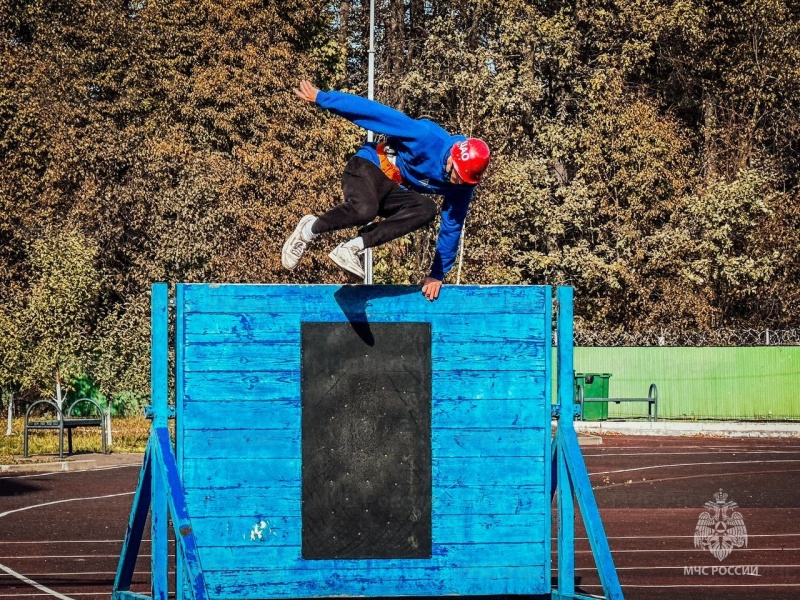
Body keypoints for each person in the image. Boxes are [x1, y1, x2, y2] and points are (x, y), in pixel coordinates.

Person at [283, 80, 490, 301]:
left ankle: (353, 247)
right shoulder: (425, 136)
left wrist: (437, 273)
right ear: (452, 158)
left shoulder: (463, 185)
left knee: (426, 208)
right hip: (369, 167)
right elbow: (377, 114)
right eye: (457, 175)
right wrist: (324, 98)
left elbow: (452, 225)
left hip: (394, 190)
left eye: (465, 180)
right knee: (365, 211)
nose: (458, 182)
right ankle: (308, 230)